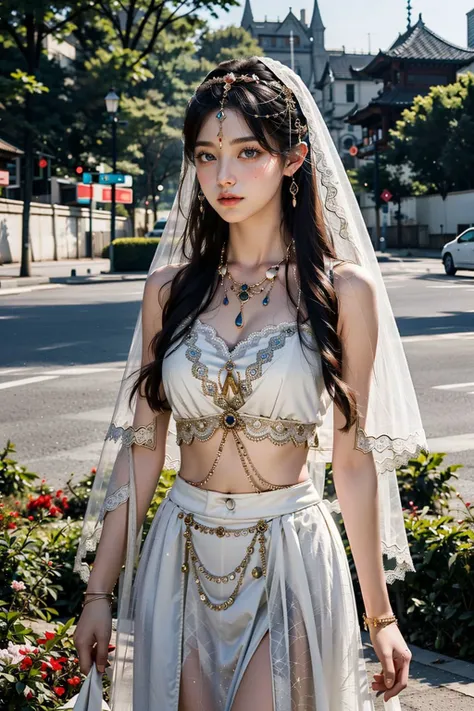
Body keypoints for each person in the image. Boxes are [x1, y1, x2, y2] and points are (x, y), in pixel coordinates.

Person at [72, 56, 429, 711]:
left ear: (292, 159)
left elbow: (352, 464)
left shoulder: (344, 292)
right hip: (178, 555)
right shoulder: (169, 290)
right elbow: (143, 448)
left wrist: (381, 618)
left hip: (290, 553)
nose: (223, 175)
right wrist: (98, 593)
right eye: (206, 155)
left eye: (246, 151)